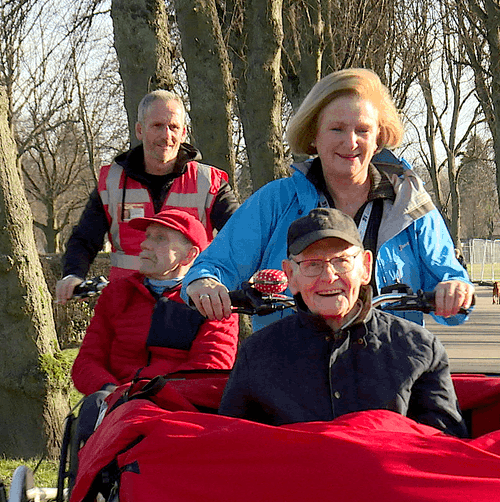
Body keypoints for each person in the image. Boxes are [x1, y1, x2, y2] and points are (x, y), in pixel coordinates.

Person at [183, 68, 472, 328]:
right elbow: (215, 264)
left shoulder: (409, 203)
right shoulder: (276, 200)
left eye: (363, 130)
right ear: (314, 136)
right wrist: (205, 284)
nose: (350, 142)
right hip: (295, 366)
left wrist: (455, 290)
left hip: (388, 367)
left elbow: (450, 279)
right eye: (337, 129)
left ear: (378, 138)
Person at [219, 208, 467, 438]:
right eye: (312, 264)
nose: (329, 276)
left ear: (365, 268)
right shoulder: (258, 353)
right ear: (291, 276)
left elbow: (445, 449)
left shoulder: (419, 348)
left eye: (342, 261)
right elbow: (234, 448)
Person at [55, 90, 239, 303]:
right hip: (126, 306)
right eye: (157, 126)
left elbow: (241, 238)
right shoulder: (112, 182)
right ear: (140, 130)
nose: (166, 136)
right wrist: (72, 275)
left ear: (184, 133)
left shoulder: (210, 182)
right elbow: (84, 239)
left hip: (190, 307)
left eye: (173, 127)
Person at [71, 209, 238, 396]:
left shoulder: (214, 300)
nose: (144, 244)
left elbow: (210, 370)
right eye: (147, 236)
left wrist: (149, 397)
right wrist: (111, 391)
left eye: (160, 238)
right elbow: (87, 361)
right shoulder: (116, 294)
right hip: (112, 403)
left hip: (178, 408)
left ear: (189, 255)